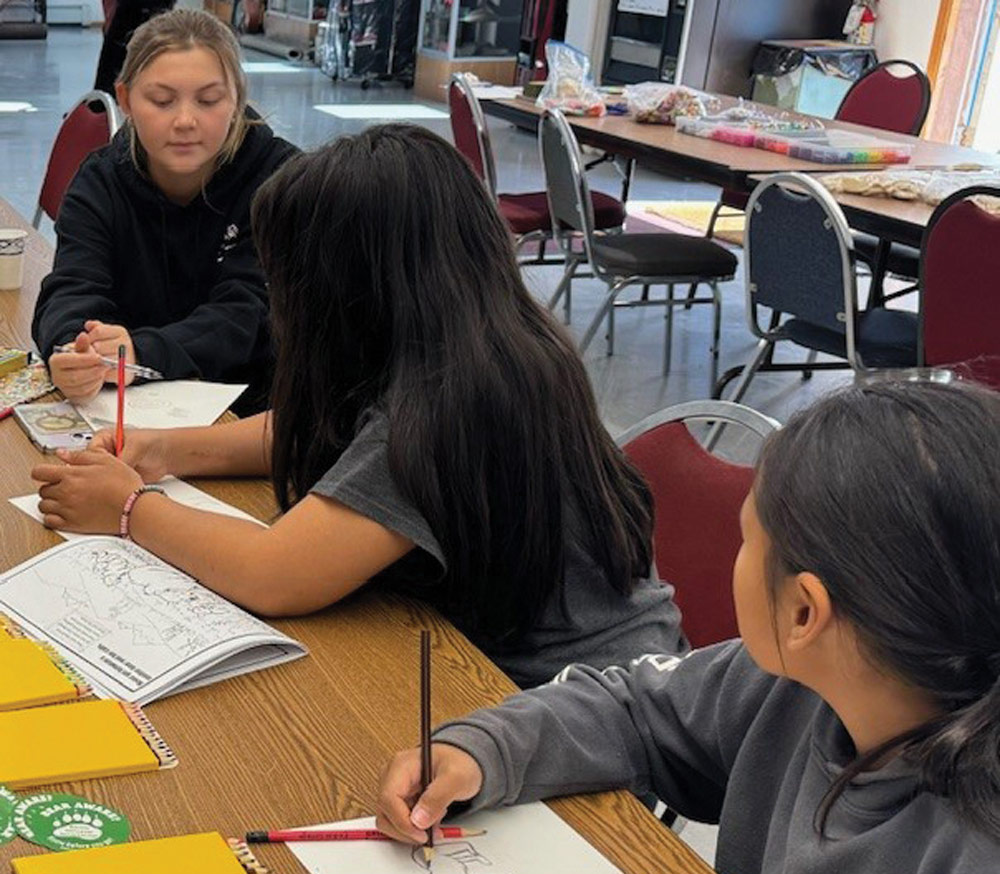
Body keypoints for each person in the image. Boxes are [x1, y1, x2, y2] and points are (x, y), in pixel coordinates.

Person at [32, 124, 686, 689]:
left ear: (351, 289)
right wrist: (163, 449)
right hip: (544, 667)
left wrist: (128, 507)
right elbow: (326, 430)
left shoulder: (450, 405)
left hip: (569, 705)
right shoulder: (481, 341)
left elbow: (275, 572)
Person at [376, 380, 1000, 874]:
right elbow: (633, 710)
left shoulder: (980, 851)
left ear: (804, 612)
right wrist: (486, 751)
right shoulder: (786, 689)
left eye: (745, 540)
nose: (736, 557)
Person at [33, 8, 298, 416]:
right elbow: (71, 286)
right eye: (161, 100)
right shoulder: (100, 180)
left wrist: (140, 351)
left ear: (237, 100)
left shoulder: (281, 181)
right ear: (125, 100)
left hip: (253, 412)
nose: (185, 121)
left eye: (209, 100)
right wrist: (74, 349)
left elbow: (249, 311)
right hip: (126, 402)